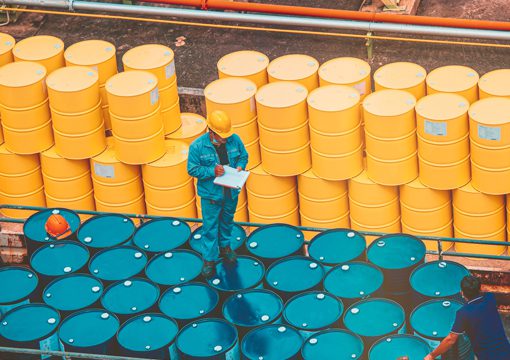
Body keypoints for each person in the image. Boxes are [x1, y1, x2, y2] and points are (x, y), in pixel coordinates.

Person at [187, 110, 248, 278]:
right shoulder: (198, 146)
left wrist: (240, 166)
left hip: (230, 191)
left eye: (226, 136)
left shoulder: (234, 140)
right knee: (210, 226)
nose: (225, 139)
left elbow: (244, 156)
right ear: (211, 131)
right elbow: (192, 169)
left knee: (227, 221)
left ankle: (225, 247)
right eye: (221, 136)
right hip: (211, 195)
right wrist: (211, 170)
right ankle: (209, 259)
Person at [424, 275, 510, 360]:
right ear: (479, 289)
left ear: (462, 293)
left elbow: (450, 339)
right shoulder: (490, 298)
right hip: (506, 351)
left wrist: (432, 355)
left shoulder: (464, 313)